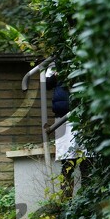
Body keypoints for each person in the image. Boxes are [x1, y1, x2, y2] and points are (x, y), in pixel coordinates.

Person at [45, 62, 90, 198]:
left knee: (87, 159)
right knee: (67, 160)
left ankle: (88, 200)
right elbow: (47, 84)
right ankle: (66, 201)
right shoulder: (55, 62)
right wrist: (57, 75)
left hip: (85, 116)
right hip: (63, 118)